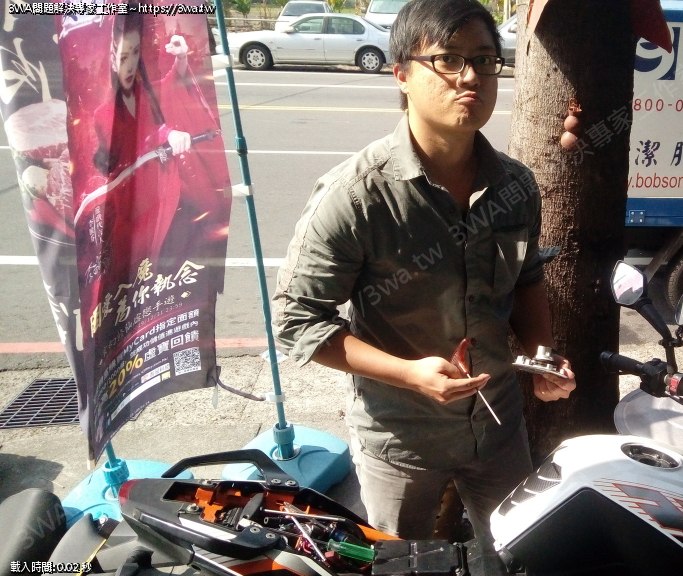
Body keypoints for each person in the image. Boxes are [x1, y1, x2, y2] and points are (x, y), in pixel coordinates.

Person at [273, 0, 576, 542]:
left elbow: (527, 277)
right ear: (402, 75)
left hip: (498, 429)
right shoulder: (357, 196)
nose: (471, 77)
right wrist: (409, 374)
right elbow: (298, 323)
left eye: (484, 60)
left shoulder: (516, 187)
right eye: (448, 59)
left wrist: (542, 356)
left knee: (514, 553)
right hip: (401, 439)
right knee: (398, 562)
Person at [89, 13, 227, 287]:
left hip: (167, 192)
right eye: (123, 57)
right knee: (138, 268)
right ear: (111, 59)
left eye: (135, 53)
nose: (130, 64)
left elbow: (172, 83)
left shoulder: (147, 94)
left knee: (184, 248)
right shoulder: (103, 113)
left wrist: (181, 58)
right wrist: (166, 134)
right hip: (135, 202)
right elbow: (136, 142)